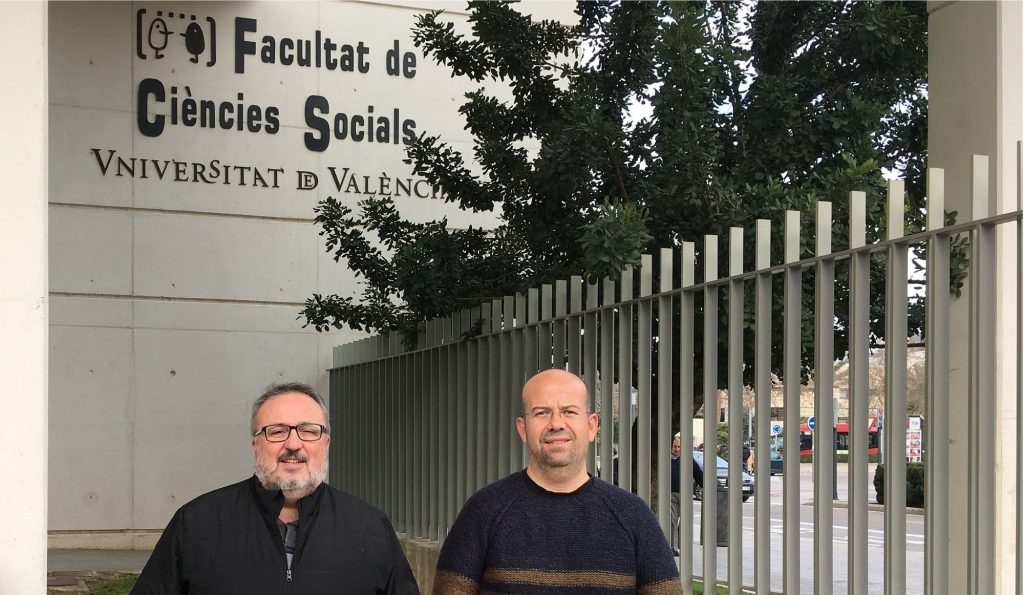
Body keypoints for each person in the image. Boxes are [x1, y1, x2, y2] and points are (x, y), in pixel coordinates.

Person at [131, 382, 419, 595]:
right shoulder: (196, 523)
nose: (293, 444)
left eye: (309, 431)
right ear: (255, 445)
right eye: (277, 431)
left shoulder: (370, 527)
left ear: (326, 443)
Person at [432, 369, 682, 595]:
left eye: (569, 411)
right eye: (541, 413)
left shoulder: (633, 516)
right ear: (523, 428)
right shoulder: (483, 511)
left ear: (591, 426)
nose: (556, 424)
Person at [670, 433, 682, 553]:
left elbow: (697, 473)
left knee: (685, 521)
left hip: (684, 494)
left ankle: (682, 545)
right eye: (675, 446)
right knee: (672, 520)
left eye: (679, 447)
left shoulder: (687, 459)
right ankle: (674, 547)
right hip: (671, 493)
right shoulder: (666, 459)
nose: (677, 449)